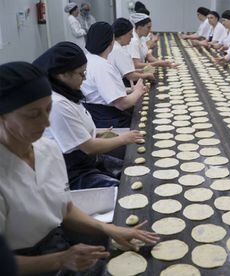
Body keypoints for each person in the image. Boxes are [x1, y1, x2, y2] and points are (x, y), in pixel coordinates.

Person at [0, 61, 159, 275]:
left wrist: (110, 229)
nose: (46, 123)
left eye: (48, 110)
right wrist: (60, 260)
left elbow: (64, 208)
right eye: (33, 114)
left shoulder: (47, 150)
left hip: (58, 240)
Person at [34, 41, 143, 190]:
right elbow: (89, 148)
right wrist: (124, 138)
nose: (84, 79)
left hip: (89, 160)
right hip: (74, 171)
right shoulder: (57, 104)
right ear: (62, 74)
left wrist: (95, 132)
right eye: (81, 74)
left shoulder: (65, 93)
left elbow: (72, 130)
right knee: (127, 188)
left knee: (136, 171)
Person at [81, 22, 148, 128]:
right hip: (107, 117)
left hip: (93, 112)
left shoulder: (88, 59)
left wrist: (130, 90)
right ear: (110, 42)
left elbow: (100, 91)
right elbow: (122, 104)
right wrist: (139, 91)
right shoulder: (102, 66)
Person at [109, 18, 155, 85]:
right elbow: (131, 76)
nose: (132, 36)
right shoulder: (118, 50)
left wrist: (142, 71)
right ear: (122, 35)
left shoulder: (116, 47)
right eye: (130, 34)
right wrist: (146, 75)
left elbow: (125, 71)